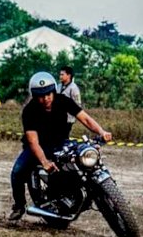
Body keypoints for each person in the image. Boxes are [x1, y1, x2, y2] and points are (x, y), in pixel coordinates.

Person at [8, 71, 113, 220]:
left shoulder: (63, 100)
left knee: (83, 158)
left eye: (48, 94)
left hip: (61, 143)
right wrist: (44, 162)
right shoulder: (29, 111)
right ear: (34, 95)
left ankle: (85, 193)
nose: (45, 99)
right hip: (38, 147)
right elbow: (33, 141)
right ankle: (19, 205)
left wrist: (102, 131)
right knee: (17, 172)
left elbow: (85, 119)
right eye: (40, 96)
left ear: (53, 91)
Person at [58, 66, 82, 137]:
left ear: (69, 75)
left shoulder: (74, 88)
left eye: (62, 74)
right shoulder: (58, 86)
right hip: (57, 118)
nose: (60, 76)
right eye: (60, 75)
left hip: (68, 119)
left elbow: (77, 104)